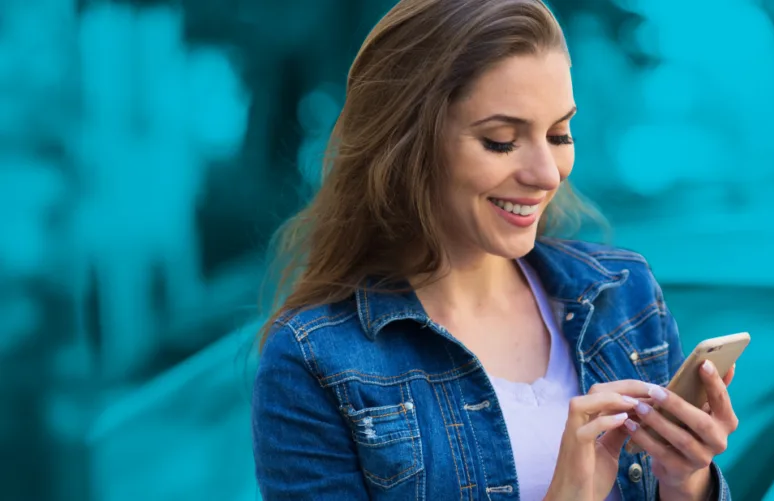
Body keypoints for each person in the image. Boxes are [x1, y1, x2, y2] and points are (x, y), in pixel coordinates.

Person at [250, 0, 740, 499]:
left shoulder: (623, 296)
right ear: (405, 143)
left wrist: (687, 480)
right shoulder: (315, 359)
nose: (547, 174)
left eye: (559, 135)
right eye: (502, 141)